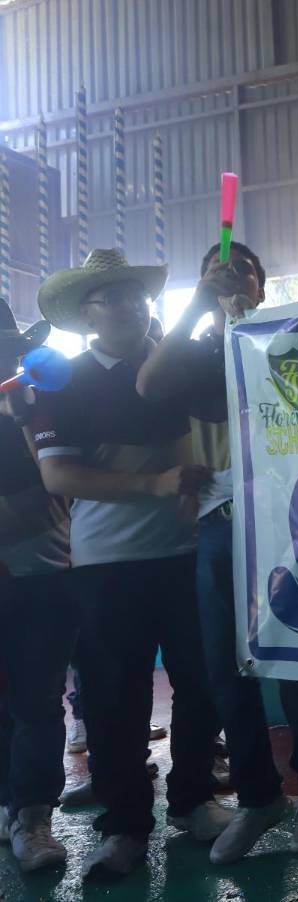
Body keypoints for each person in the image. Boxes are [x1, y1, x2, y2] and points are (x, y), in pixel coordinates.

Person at [137, 240, 298, 861]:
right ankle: (257, 796)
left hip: (288, 518)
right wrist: (199, 302)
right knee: (225, 668)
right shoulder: (197, 355)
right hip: (220, 525)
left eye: (242, 267)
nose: (225, 274)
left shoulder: (293, 336)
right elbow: (150, 382)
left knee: (292, 657)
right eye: (212, 268)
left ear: (264, 285)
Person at [31, 250, 229, 878]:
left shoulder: (180, 365)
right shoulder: (62, 381)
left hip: (190, 553)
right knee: (116, 701)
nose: (126, 305)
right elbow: (57, 472)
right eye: (107, 298)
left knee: (203, 685)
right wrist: (155, 485)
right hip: (106, 564)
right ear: (85, 316)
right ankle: (125, 826)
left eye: (133, 295)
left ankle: (194, 800)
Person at [0, 307, 75, 871]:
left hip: (41, 571)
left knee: (37, 699)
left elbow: (59, 487)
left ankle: (32, 817)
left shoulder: (38, 398)